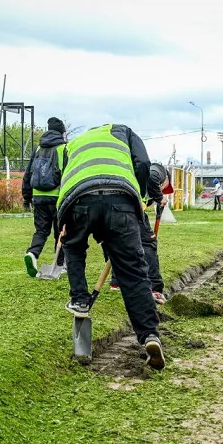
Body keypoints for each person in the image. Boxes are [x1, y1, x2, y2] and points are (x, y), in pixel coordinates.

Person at [57, 123, 165, 369]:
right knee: (133, 271)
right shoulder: (124, 132)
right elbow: (144, 165)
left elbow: (64, 175)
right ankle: (149, 334)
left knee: (73, 248)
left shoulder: (75, 142)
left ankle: (81, 300)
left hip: (77, 199)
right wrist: (137, 196)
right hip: (121, 200)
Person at [108, 162, 173, 306]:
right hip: (129, 209)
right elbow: (152, 179)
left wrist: (154, 200)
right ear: (167, 179)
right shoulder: (158, 170)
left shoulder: (140, 180)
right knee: (149, 244)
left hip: (116, 206)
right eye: (165, 188)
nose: (163, 190)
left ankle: (117, 282)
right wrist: (159, 197)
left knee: (120, 244)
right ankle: (155, 287)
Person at [22, 117, 67, 277]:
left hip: (38, 196)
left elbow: (28, 174)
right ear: (62, 133)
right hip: (58, 197)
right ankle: (60, 265)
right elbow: (68, 174)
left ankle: (32, 254)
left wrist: (26, 198)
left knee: (41, 231)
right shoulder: (63, 149)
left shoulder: (38, 148)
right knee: (60, 232)